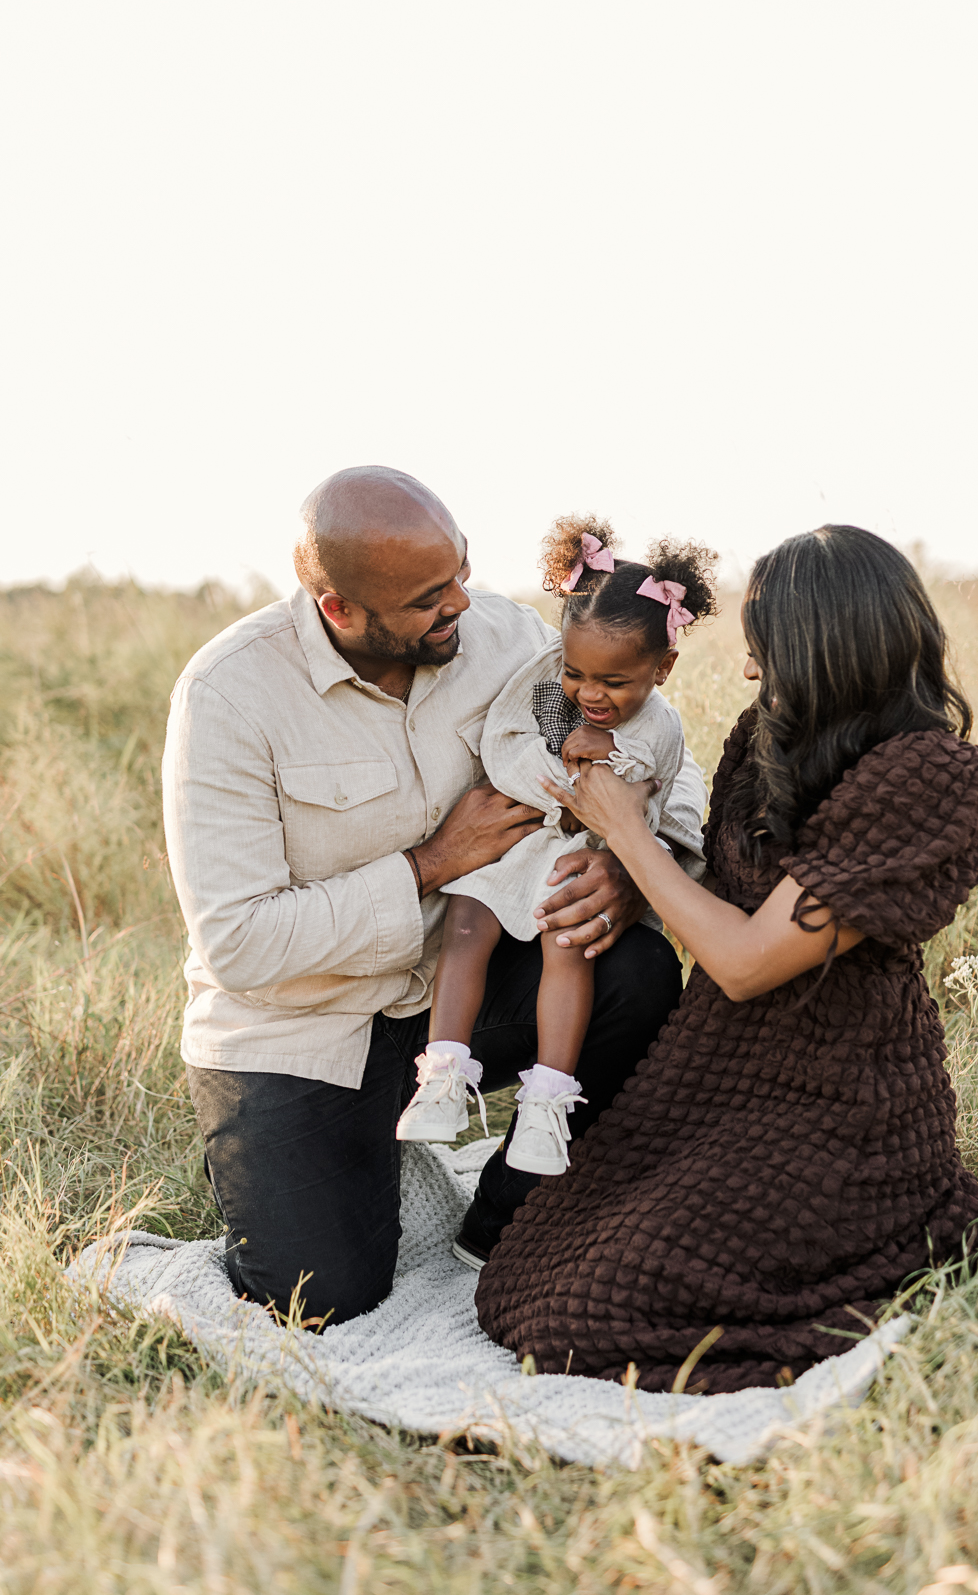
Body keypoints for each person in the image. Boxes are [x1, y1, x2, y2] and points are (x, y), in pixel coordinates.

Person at [475, 524, 978, 1394]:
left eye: (764, 651)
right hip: (716, 1065)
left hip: (839, 1098)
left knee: (584, 1318)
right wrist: (619, 870)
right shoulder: (768, 733)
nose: (749, 672)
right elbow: (704, 882)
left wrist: (628, 836)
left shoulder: (931, 775)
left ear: (830, 647)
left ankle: (896, 1233)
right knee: (525, 1275)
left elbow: (745, 960)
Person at [161, 466, 709, 1326]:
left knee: (631, 968)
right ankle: (285, 1160)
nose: (460, 602)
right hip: (303, 1031)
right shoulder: (229, 693)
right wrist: (428, 864)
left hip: (460, 997)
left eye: (459, 570)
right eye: (428, 597)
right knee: (319, 1301)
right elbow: (237, 944)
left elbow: (659, 753)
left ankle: (508, 1212)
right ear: (338, 608)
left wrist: (637, 862)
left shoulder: (504, 636)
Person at [395, 517, 718, 1176]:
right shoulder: (546, 683)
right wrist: (561, 784)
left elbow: (650, 787)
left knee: (565, 945)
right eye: (578, 674)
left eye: (614, 683)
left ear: (663, 667)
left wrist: (611, 762)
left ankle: (546, 1102)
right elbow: (512, 742)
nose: (590, 694)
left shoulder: (656, 724)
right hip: (512, 842)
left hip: (576, 856)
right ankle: (444, 1074)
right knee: (465, 922)